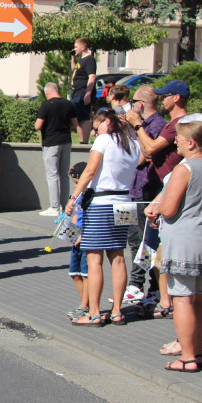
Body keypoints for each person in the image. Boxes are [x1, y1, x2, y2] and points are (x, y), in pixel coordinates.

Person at [146, 120, 202, 372]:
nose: (175, 141)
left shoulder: (185, 169)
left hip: (185, 241)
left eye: (179, 139)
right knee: (200, 299)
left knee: (181, 299)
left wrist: (156, 208)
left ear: (191, 142)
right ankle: (200, 353)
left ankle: (188, 357)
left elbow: (169, 208)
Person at [65, 108, 142, 326]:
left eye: (97, 125)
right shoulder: (133, 143)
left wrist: (73, 197)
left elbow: (90, 171)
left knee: (94, 259)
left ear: (108, 122)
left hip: (102, 202)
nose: (95, 130)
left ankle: (95, 313)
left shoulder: (104, 141)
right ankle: (117, 310)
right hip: (125, 202)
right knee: (118, 257)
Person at [123, 85, 166, 303]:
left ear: (140, 104)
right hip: (133, 190)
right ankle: (138, 283)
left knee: (145, 240)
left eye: (133, 101)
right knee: (133, 238)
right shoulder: (138, 125)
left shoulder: (157, 125)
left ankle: (144, 284)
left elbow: (143, 156)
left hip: (146, 191)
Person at [35, 82, 78, 216]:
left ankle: (54, 207)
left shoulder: (47, 104)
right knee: (63, 174)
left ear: (47, 92)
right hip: (66, 140)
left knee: (52, 174)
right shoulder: (68, 103)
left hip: (51, 142)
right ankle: (64, 205)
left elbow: (38, 125)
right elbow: (75, 124)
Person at [65, 162, 89, 320]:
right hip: (76, 237)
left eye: (77, 182)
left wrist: (81, 234)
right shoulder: (77, 195)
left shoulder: (89, 194)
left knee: (86, 273)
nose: (76, 186)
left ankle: (86, 305)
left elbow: (88, 217)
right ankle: (83, 303)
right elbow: (76, 214)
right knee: (74, 273)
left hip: (85, 237)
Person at [69, 38, 97, 144]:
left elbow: (92, 77)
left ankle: (84, 141)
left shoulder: (89, 59)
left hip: (83, 92)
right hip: (77, 91)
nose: (74, 49)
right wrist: (73, 58)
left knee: (84, 117)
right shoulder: (81, 60)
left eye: (76, 47)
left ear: (83, 47)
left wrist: (88, 93)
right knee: (78, 117)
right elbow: (74, 70)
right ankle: (82, 140)